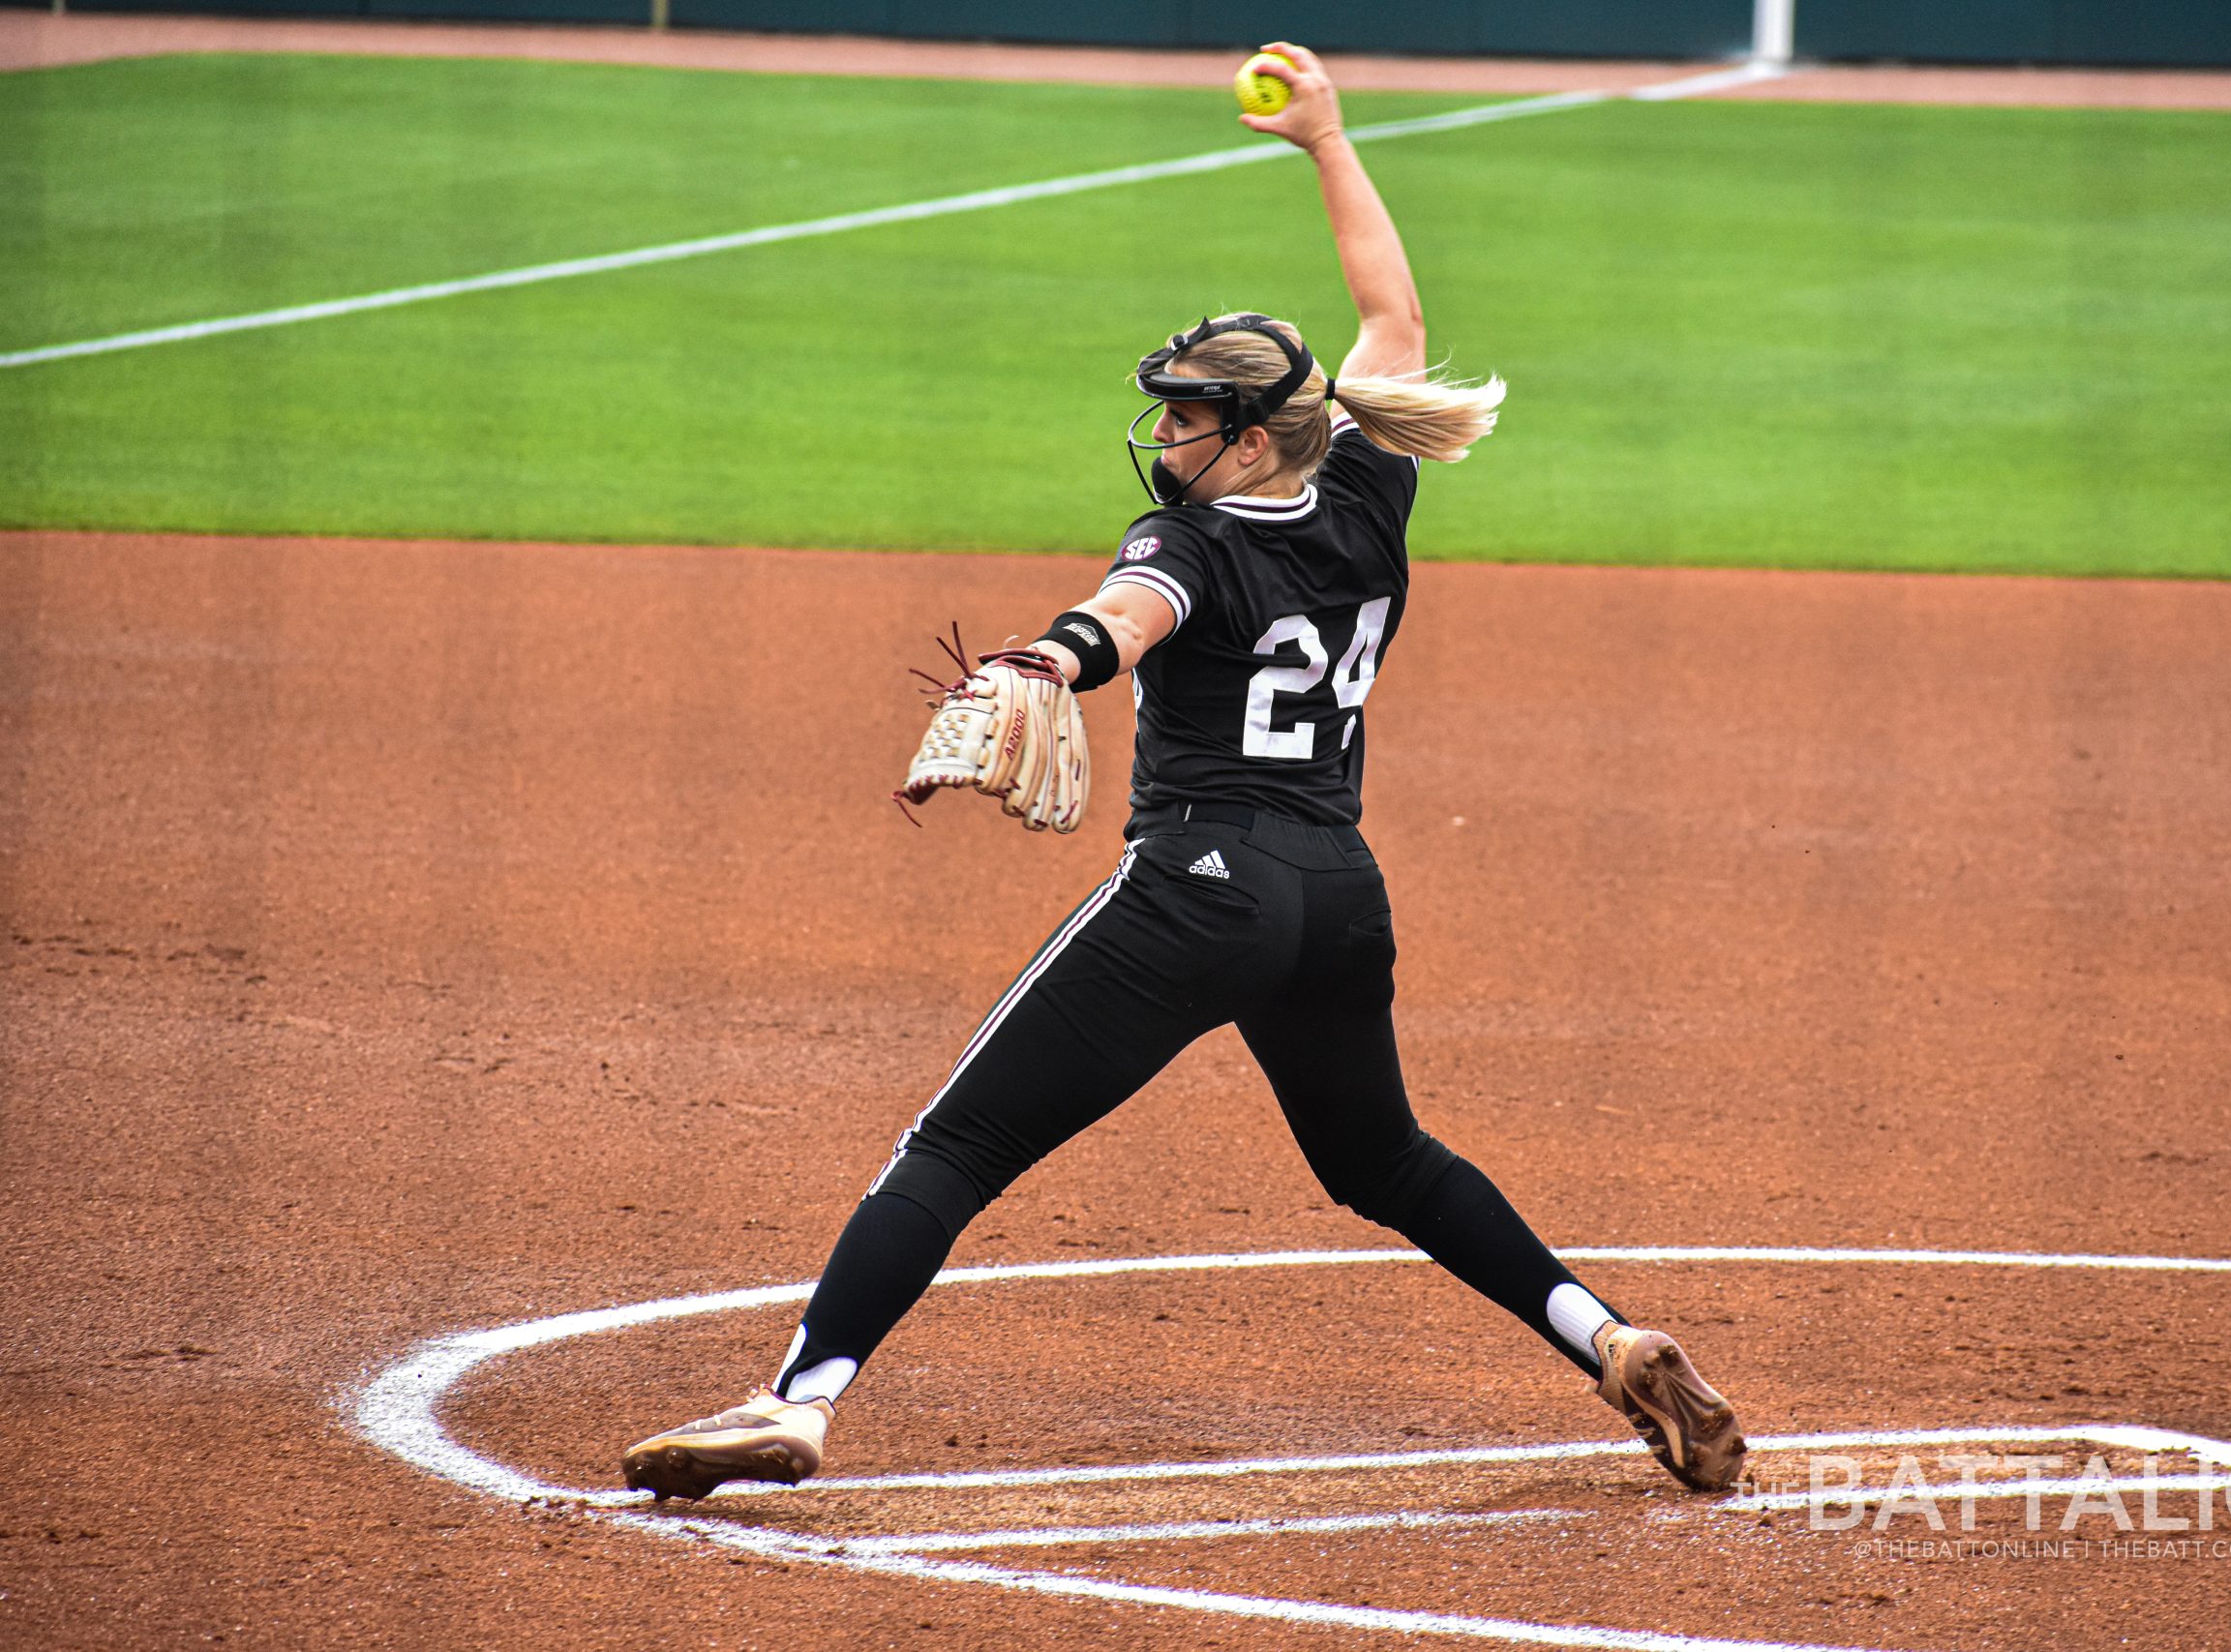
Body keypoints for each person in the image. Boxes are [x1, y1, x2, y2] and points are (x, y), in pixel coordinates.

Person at [622, 41, 1745, 1504]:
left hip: (1200, 892)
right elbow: (1392, 316)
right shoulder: (1367, 490)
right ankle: (1605, 1339)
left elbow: (1122, 623)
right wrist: (1330, 138)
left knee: (956, 1142)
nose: (1163, 434)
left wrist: (1046, 658)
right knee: (1383, 1163)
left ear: (1253, 434)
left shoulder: (1190, 543)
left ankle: (798, 1405)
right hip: (1334, 895)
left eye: (1187, 417)